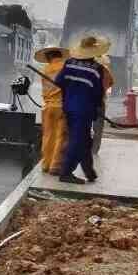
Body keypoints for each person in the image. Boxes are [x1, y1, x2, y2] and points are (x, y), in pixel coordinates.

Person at [56, 35, 109, 185]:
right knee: (78, 140)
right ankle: (66, 172)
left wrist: (72, 89)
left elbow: (59, 81)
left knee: (84, 139)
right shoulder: (97, 69)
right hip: (84, 110)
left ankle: (89, 171)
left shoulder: (69, 63)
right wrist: (97, 107)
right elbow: (98, 92)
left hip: (69, 107)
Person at [35, 46, 68, 175]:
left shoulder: (46, 69)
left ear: (49, 57)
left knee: (48, 136)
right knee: (60, 136)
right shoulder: (65, 68)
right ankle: (55, 165)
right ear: (59, 56)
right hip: (62, 107)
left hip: (48, 108)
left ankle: (45, 164)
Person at [92, 52, 115, 155]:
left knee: (85, 125)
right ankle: (95, 149)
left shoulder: (90, 70)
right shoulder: (106, 71)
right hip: (100, 101)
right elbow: (111, 82)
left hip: (88, 102)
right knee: (98, 127)